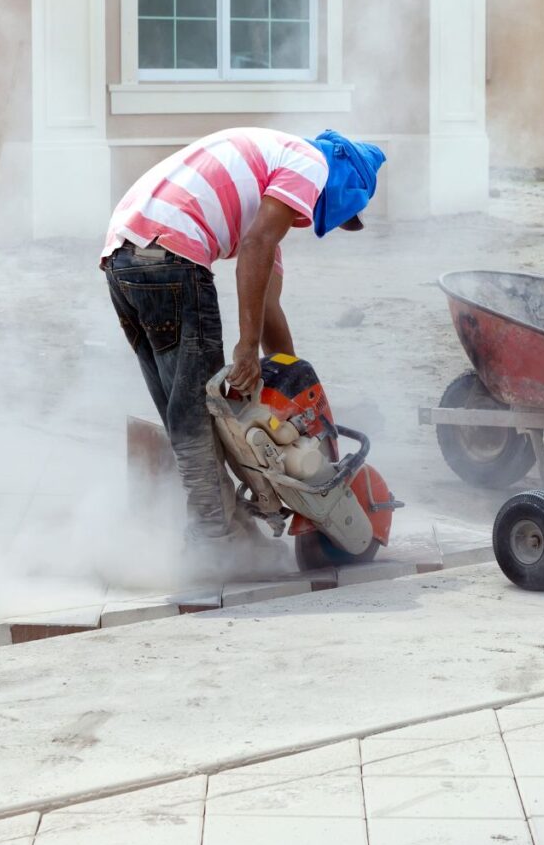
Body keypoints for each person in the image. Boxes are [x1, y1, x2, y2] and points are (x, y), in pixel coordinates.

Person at [101, 127, 385, 575]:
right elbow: (254, 248)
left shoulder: (268, 184)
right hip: (175, 255)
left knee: (187, 415)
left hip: (122, 258)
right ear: (342, 182)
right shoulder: (309, 163)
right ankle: (211, 545)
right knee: (196, 415)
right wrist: (247, 351)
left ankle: (223, 528)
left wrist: (294, 387)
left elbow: (268, 303)